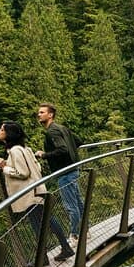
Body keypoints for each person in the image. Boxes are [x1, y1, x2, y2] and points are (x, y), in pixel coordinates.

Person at [0, 121, 74, 264]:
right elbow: (37, 167)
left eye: (2, 129)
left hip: (29, 193)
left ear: (9, 133)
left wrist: (4, 167)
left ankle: (56, 252)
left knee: (43, 222)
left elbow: (23, 172)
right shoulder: (26, 149)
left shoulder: (15, 151)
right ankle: (50, 254)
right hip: (36, 190)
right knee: (43, 222)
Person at [35, 103, 84, 246]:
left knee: (71, 206)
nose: (39, 114)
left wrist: (44, 155)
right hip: (73, 169)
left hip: (65, 173)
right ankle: (84, 230)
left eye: (42, 112)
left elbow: (62, 149)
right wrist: (72, 156)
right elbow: (79, 142)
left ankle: (74, 235)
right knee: (78, 202)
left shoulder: (52, 132)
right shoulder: (62, 128)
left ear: (50, 115)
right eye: (39, 112)